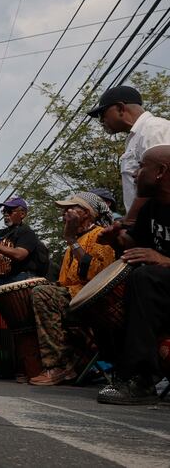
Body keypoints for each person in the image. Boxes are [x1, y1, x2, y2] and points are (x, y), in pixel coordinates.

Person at [96, 145, 170, 405]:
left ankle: (140, 378)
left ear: (161, 172)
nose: (136, 175)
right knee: (120, 283)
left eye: (141, 168)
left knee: (145, 277)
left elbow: (154, 260)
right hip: (161, 288)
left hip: (159, 280)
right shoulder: (152, 207)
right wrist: (116, 239)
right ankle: (122, 370)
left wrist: (165, 259)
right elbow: (135, 244)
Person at [28, 192, 115, 386]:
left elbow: (95, 275)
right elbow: (66, 282)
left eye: (70, 208)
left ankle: (57, 366)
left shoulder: (100, 235)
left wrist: (70, 239)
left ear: (86, 213)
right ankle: (70, 362)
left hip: (92, 304)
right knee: (41, 289)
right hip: (75, 300)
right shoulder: (74, 242)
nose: (64, 213)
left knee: (42, 293)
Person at [87, 85, 170, 225]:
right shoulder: (134, 138)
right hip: (147, 226)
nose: (101, 121)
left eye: (102, 114)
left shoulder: (154, 128)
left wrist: (129, 221)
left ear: (120, 108)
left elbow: (159, 181)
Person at [0, 197, 48, 287]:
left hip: (21, 278)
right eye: (4, 211)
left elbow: (19, 254)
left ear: (22, 214)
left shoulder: (26, 232)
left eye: (9, 211)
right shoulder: (0, 234)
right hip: (1, 279)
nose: (6, 214)